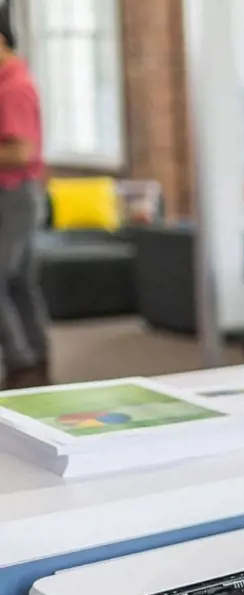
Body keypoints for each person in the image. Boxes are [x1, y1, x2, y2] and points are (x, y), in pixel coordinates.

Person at [0, 13, 46, 391]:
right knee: (20, 283)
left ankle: (22, 364)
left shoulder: (13, 86)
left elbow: (20, 152)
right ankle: (35, 365)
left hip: (14, 195)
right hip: (15, 194)